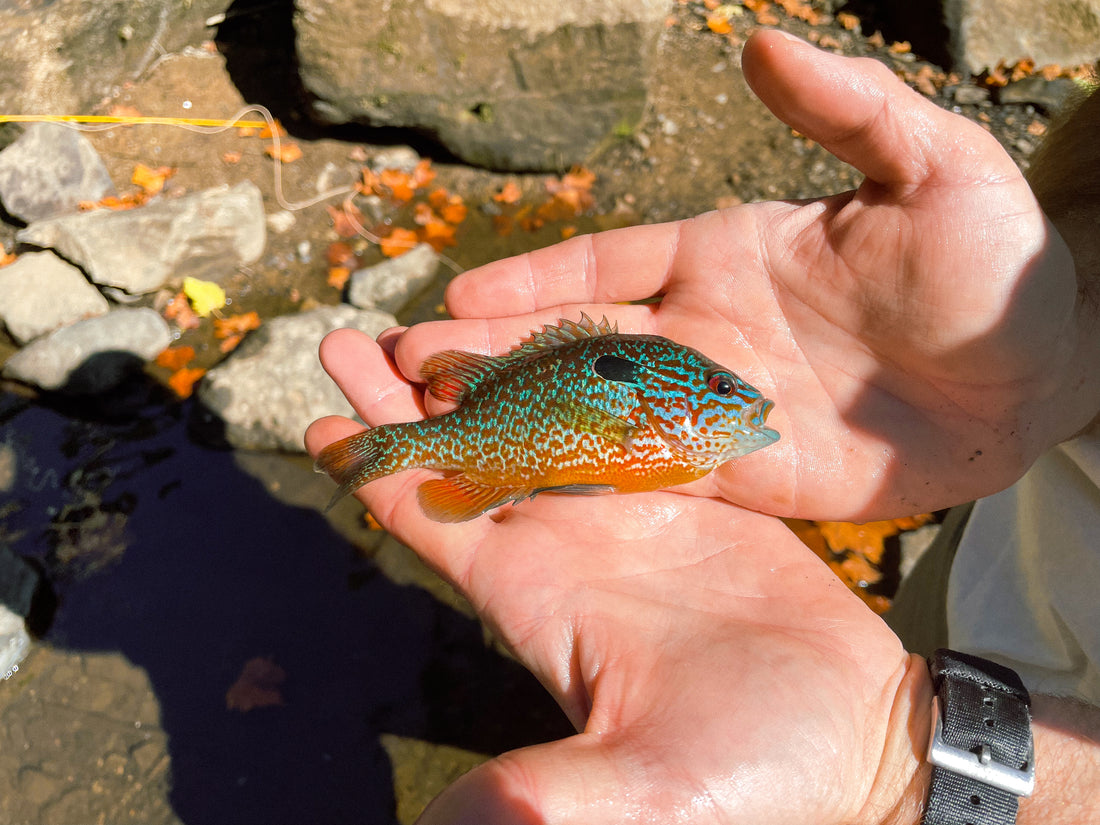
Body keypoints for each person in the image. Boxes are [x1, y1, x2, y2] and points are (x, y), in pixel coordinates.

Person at [306, 29, 1100, 825]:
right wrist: (1071, 344)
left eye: (722, 388)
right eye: (719, 390)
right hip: (999, 568)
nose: (743, 404)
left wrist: (893, 770)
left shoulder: (661, 434)